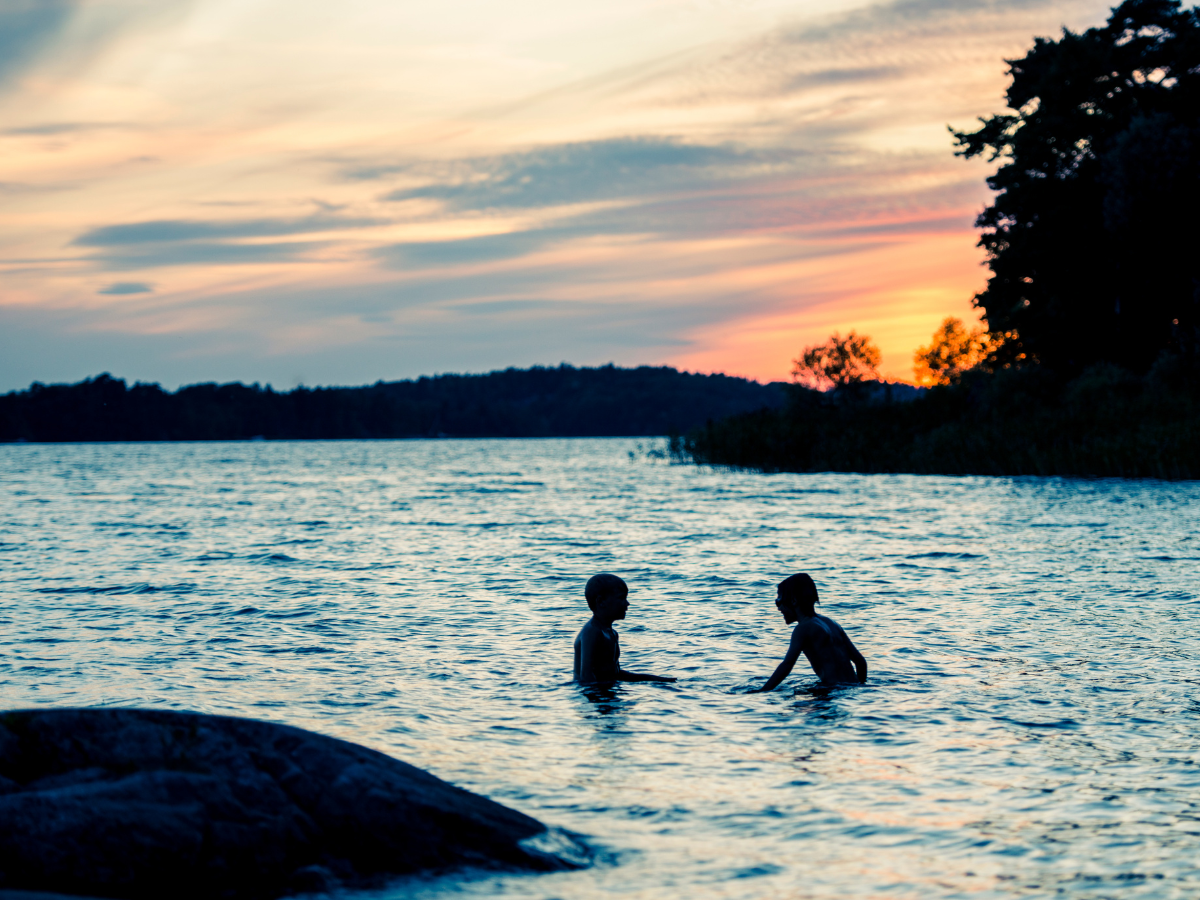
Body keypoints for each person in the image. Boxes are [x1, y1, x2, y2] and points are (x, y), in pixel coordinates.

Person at [752, 573, 866, 691]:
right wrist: (861, 686)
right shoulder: (832, 624)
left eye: (779, 600)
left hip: (832, 689)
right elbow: (860, 662)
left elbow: (787, 665)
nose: (778, 608)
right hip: (851, 688)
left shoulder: (803, 629)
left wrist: (762, 691)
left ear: (794, 601)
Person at [573, 573, 676, 684]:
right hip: (595, 698)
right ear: (601, 601)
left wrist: (657, 680)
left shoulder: (612, 634)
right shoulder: (592, 632)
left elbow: (615, 674)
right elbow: (586, 677)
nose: (627, 603)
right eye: (621, 598)